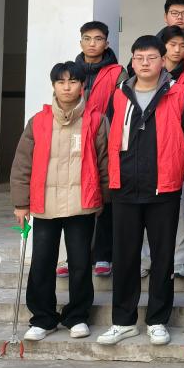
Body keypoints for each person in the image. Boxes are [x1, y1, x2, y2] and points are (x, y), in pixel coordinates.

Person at [96, 35, 184, 347]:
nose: (145, 63)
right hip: (125, 187)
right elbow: (108, 137)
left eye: (151, 57)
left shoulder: (178, 94)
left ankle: (157, 320)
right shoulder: (119, 95)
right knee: (125, 257)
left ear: (163, 61)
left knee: (162, 257)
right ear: (132, 61)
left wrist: (176, 168)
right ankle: (123, 321)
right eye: (139, 58)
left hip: (163, 187)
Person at [10, 61, 109, 341]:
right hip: (45, 204)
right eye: (61, 82)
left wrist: (104, 199)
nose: (67, 87)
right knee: (42, 262)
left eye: (73, 82)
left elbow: (105, 163)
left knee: (80, 263)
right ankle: (43, 318)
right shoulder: (38, 122)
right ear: (53, 86)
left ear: (82, 86)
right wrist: (21, 203)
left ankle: (78, 316)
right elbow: (22, 164)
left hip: (82, 203)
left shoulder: (96, 120)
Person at [140, 25, 184, 279]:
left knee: (182, 210)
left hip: (178, 158)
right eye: (172, 45)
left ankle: (181, 259)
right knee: (145, 213)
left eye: (182, 45)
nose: (177, 50)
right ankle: (145, 259)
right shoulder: (133, 86)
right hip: (145, 159)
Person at [72, 20, 125, 279]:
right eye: (87, 38)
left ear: (107, 42)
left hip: (105, 141)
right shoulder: (70, 71)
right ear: (80, 41)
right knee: (75, 200)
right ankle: (75, 256)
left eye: (98, 39)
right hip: (75, 141)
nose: (92, 44)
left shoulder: (118, 72)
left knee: (105, 197)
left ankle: (104, 254)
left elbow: (122, 108)